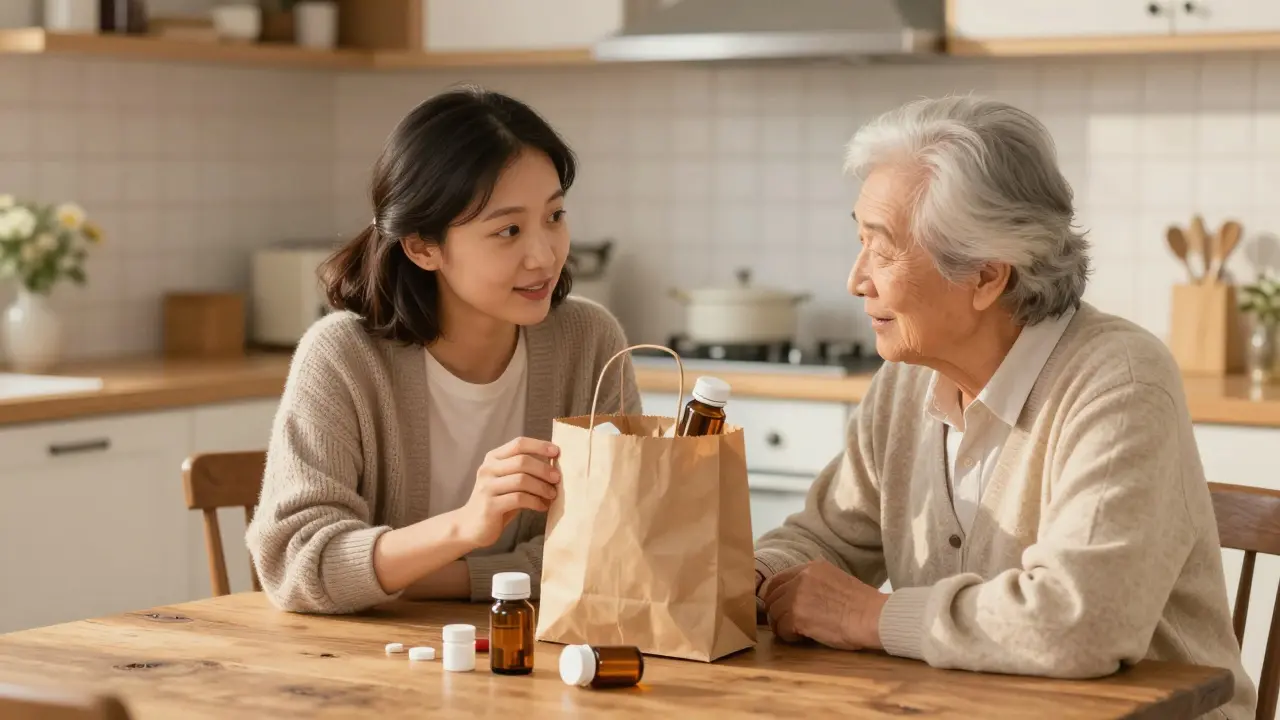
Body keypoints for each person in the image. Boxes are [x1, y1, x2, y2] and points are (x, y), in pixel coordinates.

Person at [753, 95, 1255, 719]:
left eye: (882, 251)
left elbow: (1081, 622)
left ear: (987, 277)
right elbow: (827, 536)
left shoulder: (1119, 381)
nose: (857, 280)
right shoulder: (905, 382)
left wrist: (869, 615)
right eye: (860, 242)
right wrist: (749, 579)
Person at [245, 86, 640, 614]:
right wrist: (464, 527)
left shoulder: (591, 343)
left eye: (555, 216)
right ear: (422, 247)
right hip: (364, 669)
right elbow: (299, 566)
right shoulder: (342, 358)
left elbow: (614, 543)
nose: (544, 255)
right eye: (508, 230)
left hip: (537, 659)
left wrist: (436, 579)